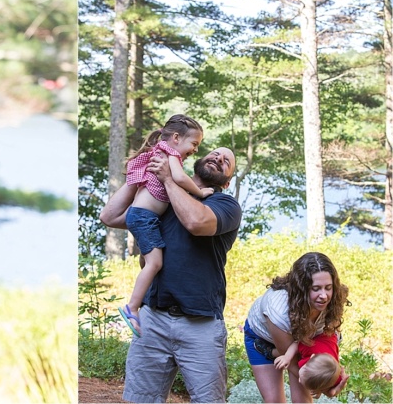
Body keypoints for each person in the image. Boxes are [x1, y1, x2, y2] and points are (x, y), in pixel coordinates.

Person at [99, 146, 242, 403]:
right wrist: (141, 176)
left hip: (201, 324)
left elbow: (196, 223)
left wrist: (168, 179)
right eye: (214, 153)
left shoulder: (225, 204)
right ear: (197, 160)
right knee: (140, 399)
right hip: (153, 318)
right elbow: (110, 217)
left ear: (228, 180)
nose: (218, 158)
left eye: (226, 161)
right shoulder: (162, 199)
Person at [117, 114, 214, 338]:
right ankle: (131, 307)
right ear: (177, 138)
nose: (195, 150)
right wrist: (199, 192)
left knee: (148, 261)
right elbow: (179, 178)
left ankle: (141, 299)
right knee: (155, 263)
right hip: (143, 217)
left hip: (143, 217)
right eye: (194, 144)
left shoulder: (161, 152)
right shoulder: (169, 154)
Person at [244, 252, 350, 402]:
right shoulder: (278, 311)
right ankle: (268, 352)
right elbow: (292, 361)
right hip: (264, 339)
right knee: (275, 401)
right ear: (302, 288)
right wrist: (319, 386)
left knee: (304, 400)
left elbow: (330, 344)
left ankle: (273, 353)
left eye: (328, 287)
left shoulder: (333, 302)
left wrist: (325, 381)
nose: (324, 296)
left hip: (308, 344)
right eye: (316, 288)